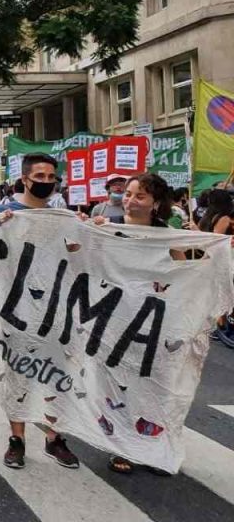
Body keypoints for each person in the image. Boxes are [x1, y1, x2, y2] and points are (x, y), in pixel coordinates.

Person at [0, 153, 81, 470]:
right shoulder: (5, 211)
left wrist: (93, 229)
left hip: (55, 306)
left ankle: (54, 438)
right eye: (40, 176)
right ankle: (17, 439)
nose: (47, 182)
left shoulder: (61, 216)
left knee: (58, 373)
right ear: (25, 179)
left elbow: (77, 251)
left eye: (52, 177)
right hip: (16, 308)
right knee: (19, 373)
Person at [90, 173, 179, 475]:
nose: (129, 200)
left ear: (156, 203)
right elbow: (82, 258)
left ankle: (154, 449)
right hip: (114, 322)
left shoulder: (168, 235)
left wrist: (207, 243)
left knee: (154, 387)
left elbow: (184, 270)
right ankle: (120, 446)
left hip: (155, 325)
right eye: (128, 194)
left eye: (139, 196)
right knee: (116, 388)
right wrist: (92, 233)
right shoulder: (109, 230)